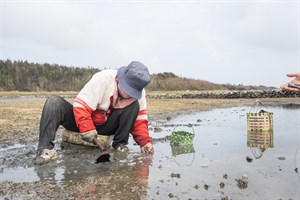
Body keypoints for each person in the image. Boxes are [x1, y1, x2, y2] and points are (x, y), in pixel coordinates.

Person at [35, 61, 154, 165]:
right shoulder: (103, 79)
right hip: (81, 122)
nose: (129, 94)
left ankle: (120, 145)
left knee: (133, 106)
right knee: (54, 102)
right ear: (120, 79)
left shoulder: (139, 92)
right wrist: (87, 127)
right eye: (127, 89)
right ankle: (46, 150)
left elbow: (139, 120)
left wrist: (145, 142)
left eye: (132, 93)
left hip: (107, 125)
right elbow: (81, 106)